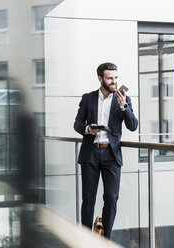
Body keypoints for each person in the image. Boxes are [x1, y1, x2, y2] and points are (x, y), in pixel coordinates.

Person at [73, 62, 138, 239]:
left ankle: (105, 239)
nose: (114, 82)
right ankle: (85, 239)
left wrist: (124, 106)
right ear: (100, 78)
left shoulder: (124, 99)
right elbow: (77, 125)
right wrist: (88, 130)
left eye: (116, 78)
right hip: (90, 154)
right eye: (110, 78)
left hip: (111, 155)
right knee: (88, 199)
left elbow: (133, 126)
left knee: (111, 198)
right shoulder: (88, 98)